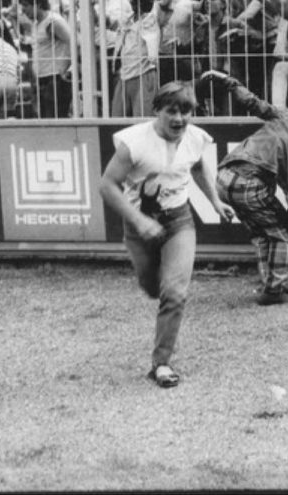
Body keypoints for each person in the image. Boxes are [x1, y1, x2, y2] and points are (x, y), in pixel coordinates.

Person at [98, 81, 235, 388]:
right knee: (153, 287)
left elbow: (197, 167)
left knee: (174, 293)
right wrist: (138, 220)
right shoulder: (134, 143)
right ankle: (156, 286)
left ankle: (161, 363)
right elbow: (106, 185)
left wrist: (214, 201)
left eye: (186, 112)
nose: (179, 119)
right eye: (171, 111)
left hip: (179, 221)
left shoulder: (195, 137)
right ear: (157, 111)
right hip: (139, 226)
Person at [201, 70, 288, 304]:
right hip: (250, 183)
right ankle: (274, 290)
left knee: (262, 233)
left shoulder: (287, 115)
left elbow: (252, 102)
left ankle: (270, 283)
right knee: (283, 235)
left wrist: (229, 81)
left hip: (224, 175)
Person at [17, 0, 73, 118]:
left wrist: (68, 68)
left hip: (55, 79)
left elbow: (74, 43)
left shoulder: (53, 21)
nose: (23, 10)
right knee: (46, 121)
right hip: (43, 79)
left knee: (54, 120)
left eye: (26, 5)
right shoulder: (38, 24)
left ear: (38, 4)